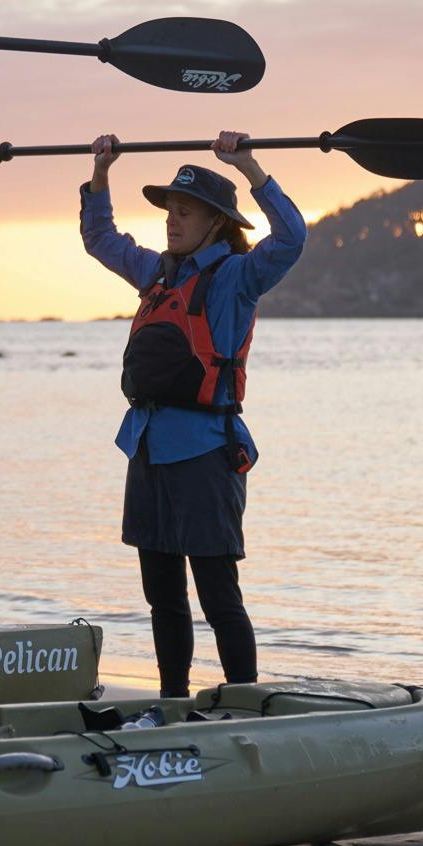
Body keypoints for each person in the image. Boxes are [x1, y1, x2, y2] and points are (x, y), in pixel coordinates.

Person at [80, 132, 306, 698]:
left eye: (185, 212)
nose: (172, 221)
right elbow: (99, 237)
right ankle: (173, 701)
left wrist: (249, 167)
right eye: (170, 211)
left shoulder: (238, 276)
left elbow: (293, 237)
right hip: (148, 446)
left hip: (206, 452)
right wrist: (101, 174)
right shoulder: (156, 272)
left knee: (218, 594)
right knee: (162, 597)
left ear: (217, 222)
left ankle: (245, 702)